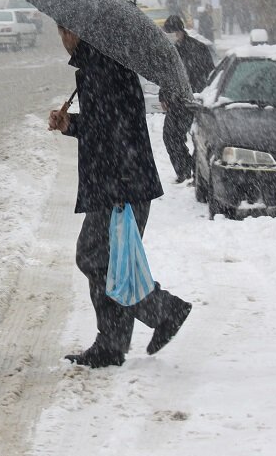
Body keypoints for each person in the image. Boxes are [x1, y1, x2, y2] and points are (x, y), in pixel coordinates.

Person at [48, 24, 192, 368]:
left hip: (119, 183)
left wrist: (120, 184)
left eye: (63, 32)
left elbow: (113, 130)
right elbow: (104, 126)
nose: (63, 40)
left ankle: (161, 311)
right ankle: (114, 341)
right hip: (118, 180)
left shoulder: (103, 71)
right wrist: (71, 125)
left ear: (74, 33)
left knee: (95, 258)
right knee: (110, 263)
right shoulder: (101, 67)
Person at [160, 14, 214, 184]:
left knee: (198, 138)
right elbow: (165, 76)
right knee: (170, 136)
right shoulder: (168, 51)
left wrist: (201, 93)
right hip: (176, 101)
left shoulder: (198, 49)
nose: (169, 36)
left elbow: (210, 74)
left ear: (179, 31)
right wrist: (163, 96)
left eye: (171, 33)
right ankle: (185, 170)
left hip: (194, 101)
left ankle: (196, 171)